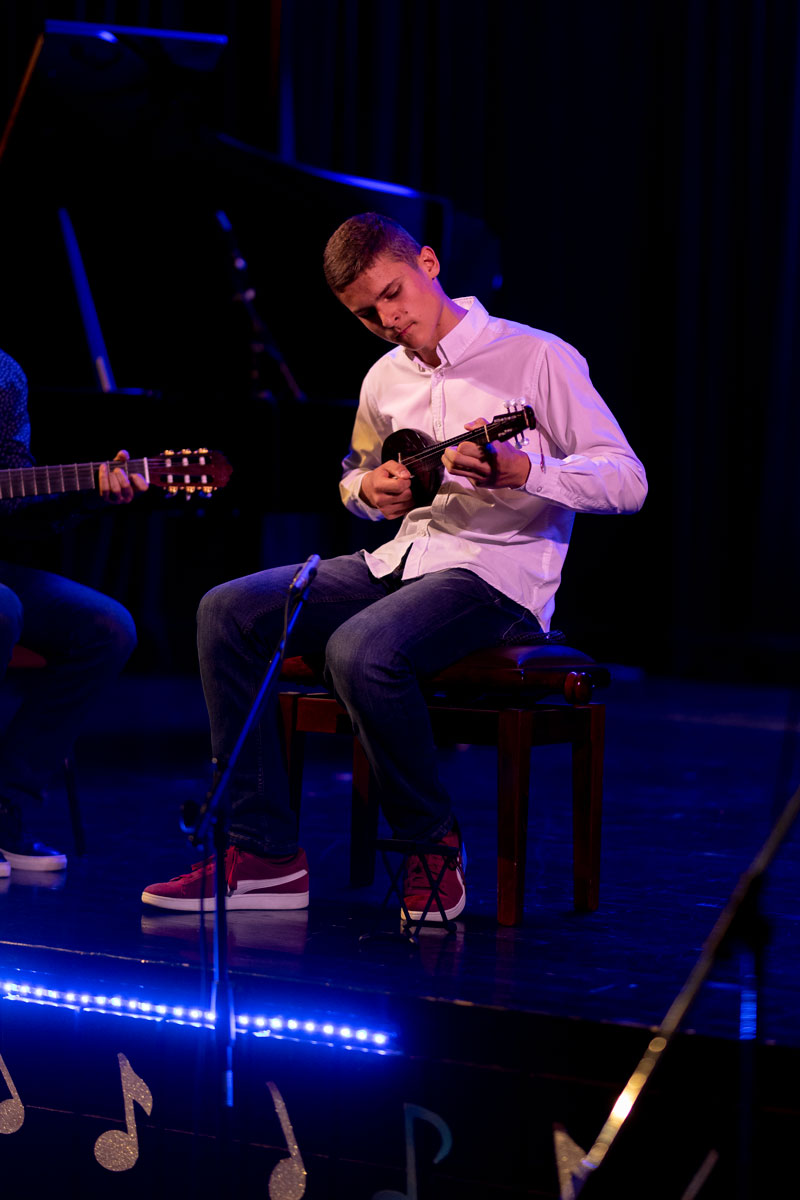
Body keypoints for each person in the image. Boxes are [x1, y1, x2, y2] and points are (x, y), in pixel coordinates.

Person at [142, 212, 647, 921]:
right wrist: (367, 492)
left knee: (361, 649)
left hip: (496, 578)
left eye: (391, 294)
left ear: (429, 265)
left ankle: (430, 847)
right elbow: (355, 474)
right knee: (228, 609)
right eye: (365, 313)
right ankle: (264, 856)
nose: (386, 320)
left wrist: (526, 469)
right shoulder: (384, 378)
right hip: (400, 563)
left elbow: (627, 480)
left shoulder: (537, 357)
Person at [0, 347, 147, 875]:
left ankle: (5, 803)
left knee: (107, 627)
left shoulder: (3, 374)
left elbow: (15, 502)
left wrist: (91, 493)